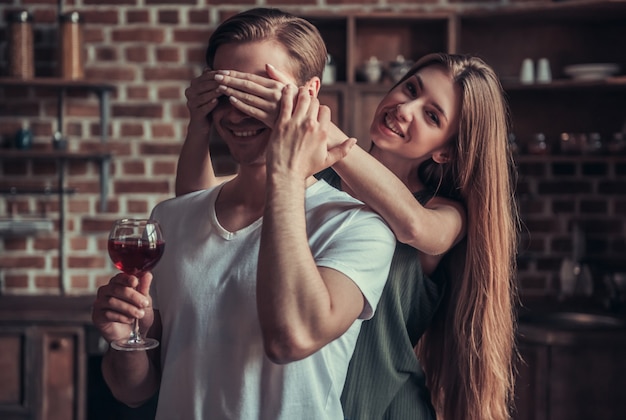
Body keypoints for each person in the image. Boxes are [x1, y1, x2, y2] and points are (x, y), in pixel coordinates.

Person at [91, 8, 397, 420]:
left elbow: (291, 339)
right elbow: (135, 390)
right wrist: (120, 339)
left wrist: (287, 170)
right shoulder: (172, 219)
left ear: (309, 93)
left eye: (259, 92)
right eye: (226, 92)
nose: (236, 112)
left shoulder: (356, 225)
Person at [181, 51, 521, 420]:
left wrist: (309, 120)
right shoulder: (310, 178)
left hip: (389, 410)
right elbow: (197, 207)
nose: (405, 109)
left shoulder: (445, 214)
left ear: (445, 152)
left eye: (431, 115)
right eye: (410, 89)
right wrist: (199, 124)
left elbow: (413, 226)